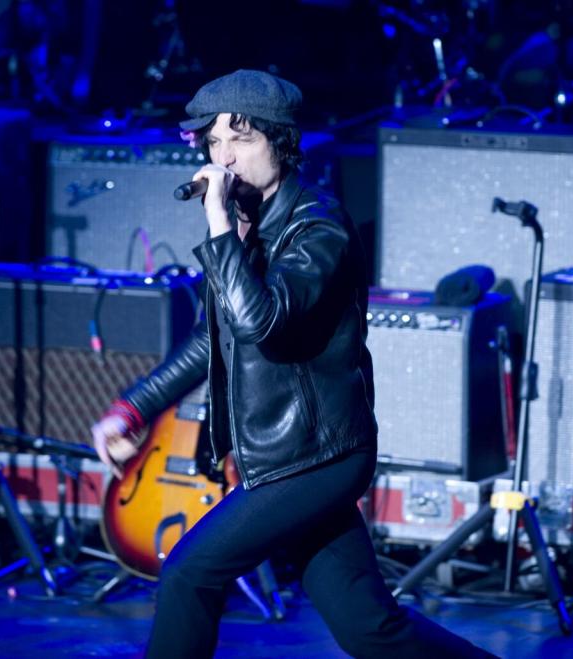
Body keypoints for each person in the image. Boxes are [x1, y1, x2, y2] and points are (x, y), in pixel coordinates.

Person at [91, 69, 495, 658]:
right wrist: (132, 408)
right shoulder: (249, 228)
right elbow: (213, 340)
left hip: (318, 456)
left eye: (242, 140)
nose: (224, 159)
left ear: (279, 141)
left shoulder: (317, 226)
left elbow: (261, 323)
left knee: (188, 571)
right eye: (214, 143)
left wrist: (219, 226)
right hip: (280, 455)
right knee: (370, 629)